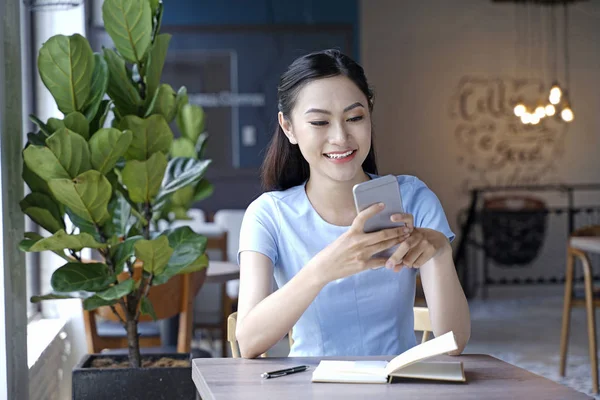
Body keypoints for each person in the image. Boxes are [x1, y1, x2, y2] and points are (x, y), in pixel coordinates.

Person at [235, 49, 470, 359]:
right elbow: (248, 342)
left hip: (398, 387)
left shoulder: (413, 198)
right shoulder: (268, 215)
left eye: (355, 117)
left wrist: (440, 251)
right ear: (289, 127)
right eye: (319, 122)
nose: (340, 137)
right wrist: (323, 268)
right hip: (310, 387)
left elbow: (454, 343)